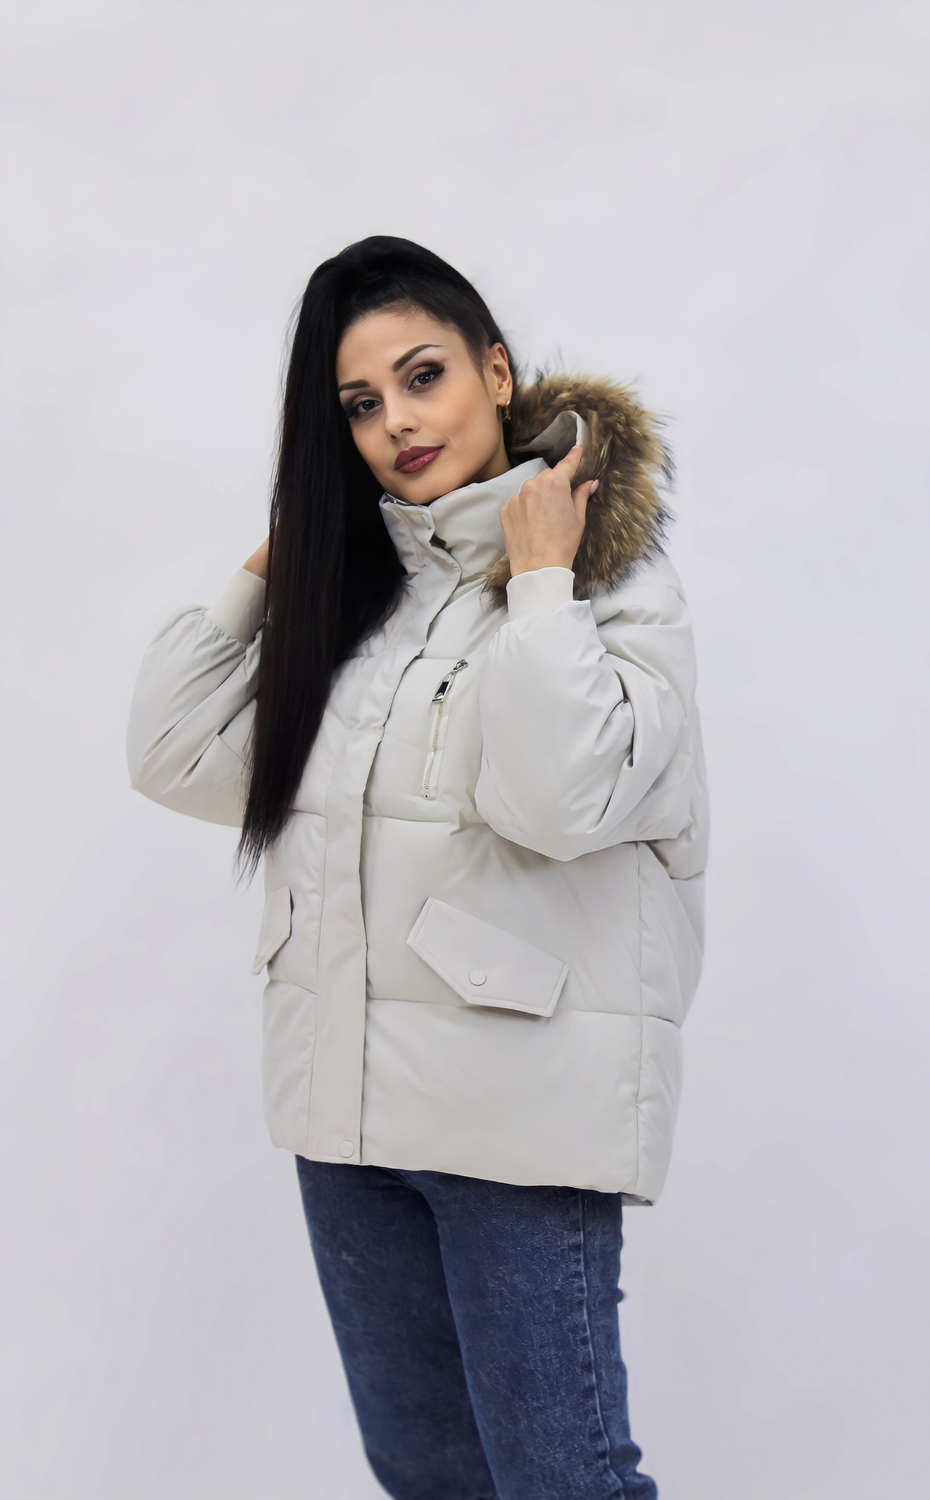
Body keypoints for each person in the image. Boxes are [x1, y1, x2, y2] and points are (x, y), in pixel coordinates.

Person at [127, 236, 708, 1500]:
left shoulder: (616, 591)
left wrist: (541, 576)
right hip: (345, 1121)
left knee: (561, 1478)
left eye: (422, 376)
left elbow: (560, 803)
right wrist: (278, 562)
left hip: (516, 1119)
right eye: (359, 403)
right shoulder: (365, 608)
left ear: (496, 373)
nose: (395, 421)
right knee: (426, 1475)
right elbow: (174, 755)